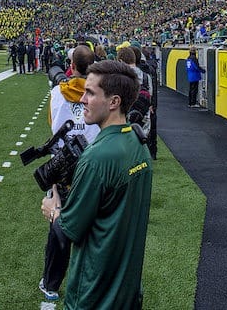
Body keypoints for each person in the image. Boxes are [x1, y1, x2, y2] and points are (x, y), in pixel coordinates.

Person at [41, 59, 153, 310]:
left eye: (90, 93)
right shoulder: (138, 143)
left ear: (114, 102)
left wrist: (52, 210)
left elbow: (69, 229)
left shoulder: (95, 158)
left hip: (95, 294)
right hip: (128, 290)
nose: (82, 99)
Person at [40, 45, 99, 301]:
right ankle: (90, 284)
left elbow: (51, 122)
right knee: (93, 228)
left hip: (62, 168)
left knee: (58, 226)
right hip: (92, 165)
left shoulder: (57, 92)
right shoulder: (100, 92)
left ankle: (51, 284)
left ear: (71, 66)